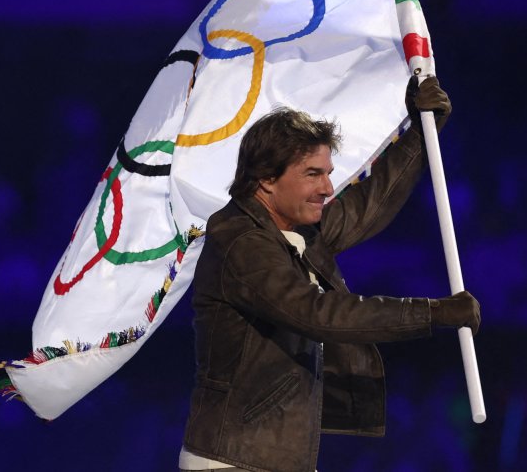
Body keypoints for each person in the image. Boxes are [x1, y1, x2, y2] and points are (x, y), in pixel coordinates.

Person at [178, 76, 481, 472]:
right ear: (266, 179)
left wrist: (421, 132)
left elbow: (368, 204)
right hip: (232, 460)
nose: (327, 187)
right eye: (312, 174)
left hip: (269, 459)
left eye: (327, 172)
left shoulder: (296, 229)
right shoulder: (241, 241)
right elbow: (317, 313)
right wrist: (430, 313)